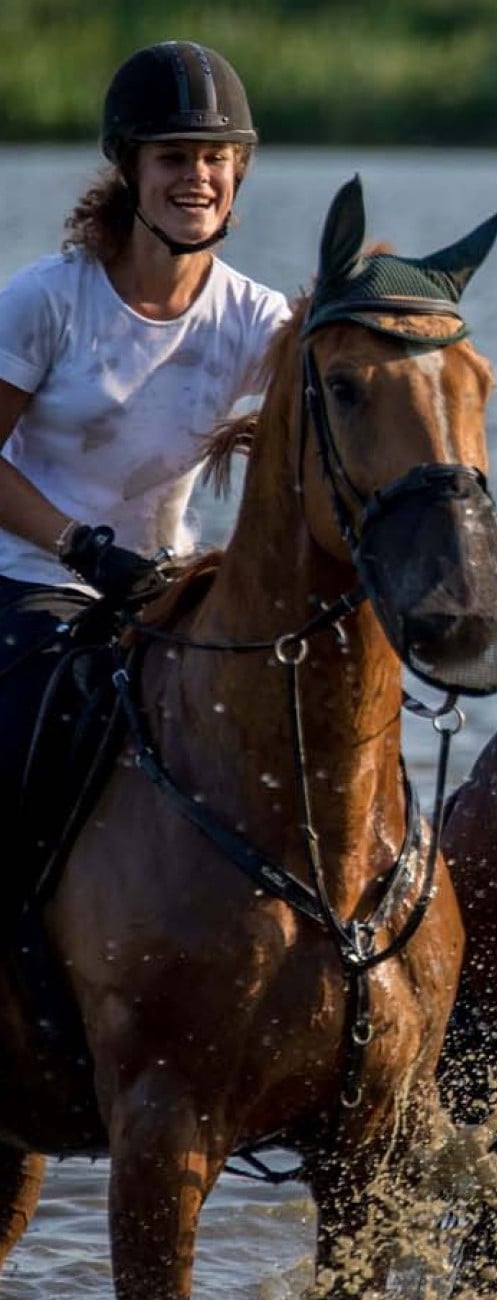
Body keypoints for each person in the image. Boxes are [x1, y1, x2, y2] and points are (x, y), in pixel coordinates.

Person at [0, 40, 289, 906]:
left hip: (162, 589)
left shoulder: (259, 319)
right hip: (26, 576)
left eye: (216, 157)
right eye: (173, 157)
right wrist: (82, 548)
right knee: (40, 733)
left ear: (238, 172)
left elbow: (320, 441)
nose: (196, 176)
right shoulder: (48, 300)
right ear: (131, 169)